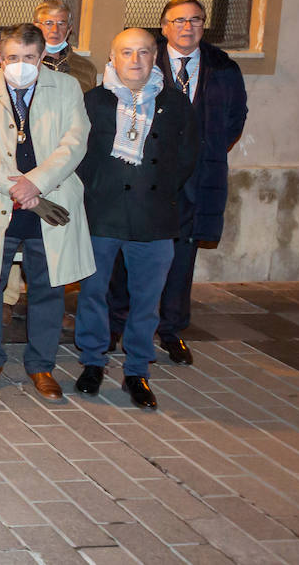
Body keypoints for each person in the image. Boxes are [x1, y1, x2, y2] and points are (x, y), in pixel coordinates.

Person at [0, 22, 93, 403]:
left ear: (43, 57)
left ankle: (41, 365)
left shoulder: (66, 89)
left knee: (48, 287)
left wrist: (36, 183)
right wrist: (14, 187)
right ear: (0, 57)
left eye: (30, 58)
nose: (21, 64)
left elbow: (74, 141)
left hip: (48, 202)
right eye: (13, 57)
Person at [110, 0, 247, 366]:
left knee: (183, 256)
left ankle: (171, 330)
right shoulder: (145, 61)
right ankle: (117, 322)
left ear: (205, 25)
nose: (188, 27)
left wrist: (205, 150)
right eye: (179, 21)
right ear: (165, 26)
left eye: (196, 20)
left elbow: (235, 119)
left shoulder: (223, 68)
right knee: (130, 249)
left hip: (196, 178)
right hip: (145, 176)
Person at [74, 28, 199, 410]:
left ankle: (137, 370)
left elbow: (186, 159)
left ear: (154, 56)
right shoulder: (93, 101)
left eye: (143, 52)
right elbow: (78, 155)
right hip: (102, 213)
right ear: (112, 58)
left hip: (154, 216)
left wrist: (156, 190)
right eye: (126, 52)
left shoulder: (176, 104)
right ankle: (92, 362)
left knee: (147, 300)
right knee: (93, 294)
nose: (135, 60)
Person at [35, 0, 97, 92]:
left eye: (61, 24)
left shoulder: (86, 68)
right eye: (48, 23)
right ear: (36, 27)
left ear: (69, 29)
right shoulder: (26, 64)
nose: (55, 30)